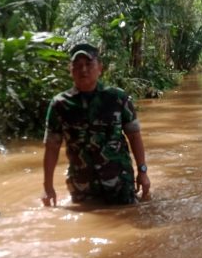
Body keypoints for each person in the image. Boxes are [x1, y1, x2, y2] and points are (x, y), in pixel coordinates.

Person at [42, 43, 150, 206]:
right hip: (82, 186)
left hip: (119, 182)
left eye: (88, 64)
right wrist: (47, 186)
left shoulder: (118, 98)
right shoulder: (60, 105)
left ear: (100, 67)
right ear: (70, 69)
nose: (83, 69)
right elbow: (52, 146)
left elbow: (134, 136)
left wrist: (143, 172)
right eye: (77, 65)